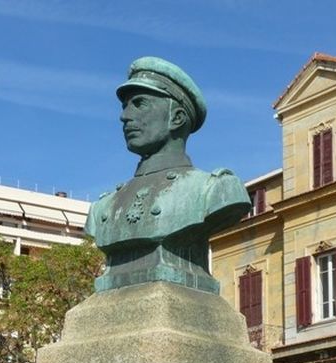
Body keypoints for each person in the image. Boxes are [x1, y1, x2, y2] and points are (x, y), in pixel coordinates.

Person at [85, 57, 251, 293]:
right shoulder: (103, 207)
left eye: (139, 103)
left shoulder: (213, 190)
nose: (124, 116)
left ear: (177, 118)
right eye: (125, 106)